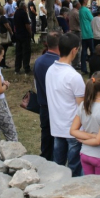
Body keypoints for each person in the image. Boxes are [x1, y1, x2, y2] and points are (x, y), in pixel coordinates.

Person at [46, 32, 85, 177]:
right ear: (74, 50)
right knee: (74, 168)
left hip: (57, 127)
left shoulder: (50, 70)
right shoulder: (74, 76)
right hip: (72, 129)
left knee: (58, 167)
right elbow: (82, 107)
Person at [69, 72, 100, 175]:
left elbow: (73, 130)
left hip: (85, 155)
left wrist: (83, 139)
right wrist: (92, 136)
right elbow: (98, 141)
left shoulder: (83, 105)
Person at [34, 31, 61, 161]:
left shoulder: (39, 61)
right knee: (59, 140)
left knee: (46, 138)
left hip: (43, 105)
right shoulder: (58, 64)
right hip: (56, 107)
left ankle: (45, 160)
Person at [13, 2, 32, 74]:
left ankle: (17, 68)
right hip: (24, 35)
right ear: (24, 7)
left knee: (18, 52)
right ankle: (26, 68)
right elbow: (27, 25)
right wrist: (30, 33)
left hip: (18, 34)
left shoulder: (16, 13)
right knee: (26, 52)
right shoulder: (24, 13)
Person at [79, 0, 94, 74]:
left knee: (84, 52)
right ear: (84, 1)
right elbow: (92, 19)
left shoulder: (80, 10)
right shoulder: (86, 10)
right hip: (89, 33)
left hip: (84, 33)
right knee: (93, 51)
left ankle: (83, 68)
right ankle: (93, 67)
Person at [68, 0, 82, 70]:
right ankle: (76, 63)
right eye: (79, 4)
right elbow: (80, 22)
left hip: (73, 31)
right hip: (76, 31)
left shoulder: (71, 11)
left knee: (75, 47)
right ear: (77, 5)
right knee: (77, 48)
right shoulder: (76, 12)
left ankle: (75, 63)